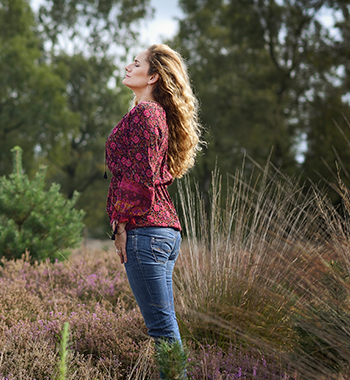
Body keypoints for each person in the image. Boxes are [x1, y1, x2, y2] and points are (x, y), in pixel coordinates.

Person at [105, 44, 202, 376]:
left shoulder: (147, 114)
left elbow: (139, 177)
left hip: (145, 232)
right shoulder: (150, 113)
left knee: (161, 329)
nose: (128, 67)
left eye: (137, 63)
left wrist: (120, 227)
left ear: (154, 75)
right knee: (165, 325)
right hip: (161, 230)